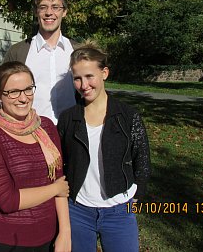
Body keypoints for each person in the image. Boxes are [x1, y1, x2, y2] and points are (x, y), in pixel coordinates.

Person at [57, 45, 151, 252]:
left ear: (104, 73)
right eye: (77, 78)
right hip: (78, 211)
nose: (84, 85)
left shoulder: (127, 116)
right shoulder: (67, 119)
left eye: (90, 76)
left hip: (119, 211)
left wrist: (137, 193)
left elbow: (142, 158)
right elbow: (60, 163)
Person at [0, 61, 71, 252]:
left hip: (48, 235)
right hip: (9, 240)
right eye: (13, 92)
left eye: (28, 89)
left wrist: (65, 233)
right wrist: (54, 189)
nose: (23, 98)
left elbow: (59, 179)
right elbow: (8, 200)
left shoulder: (47, 128)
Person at [3, 0, 78, 124]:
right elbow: (3, 94)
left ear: (65, 12)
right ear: (36, 11)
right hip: (30, 131)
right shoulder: (18, 52)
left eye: (56, 7)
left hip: (70, 132)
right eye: (43, 7)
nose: (49, 12)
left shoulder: (77, 51)